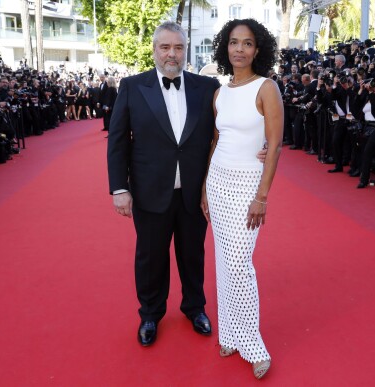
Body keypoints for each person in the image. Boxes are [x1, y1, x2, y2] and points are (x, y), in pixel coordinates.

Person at [108, 22, 253, 349]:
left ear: (186, 50)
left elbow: (227, 128)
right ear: (155, 50)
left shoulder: (206, 87)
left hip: (195, 191)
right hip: (149, 190)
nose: (172, 54)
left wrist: (258, 143)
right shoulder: (132, 87)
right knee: (150, 257)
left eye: (178, 48)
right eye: (165, 47)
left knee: (193, 255)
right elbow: (117, 141)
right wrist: (119, 188)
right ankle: (150, 313)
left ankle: (195, 307)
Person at [202, 18, 282, 379]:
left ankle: (253, 345)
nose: (239, 49)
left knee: (239, 264)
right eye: (233, 42)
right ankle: (230, 333)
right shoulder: (221, 92)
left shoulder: (267, 88)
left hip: (249, 184)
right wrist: (204, 185)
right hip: (217, 181)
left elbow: (275, 143)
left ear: (257, 49)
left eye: (247, 43)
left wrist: (262, 197)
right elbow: (216, 142)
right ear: (225, 48)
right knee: (223, 260)